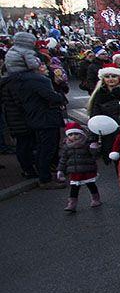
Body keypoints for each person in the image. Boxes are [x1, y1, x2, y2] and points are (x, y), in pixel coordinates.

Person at [1, 48, 66, 188]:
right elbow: (52, 97)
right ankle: (45, 178)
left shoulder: (19, 80)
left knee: (41, 147)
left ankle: (42, 172)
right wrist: (58, 97)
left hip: (34, 117)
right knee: (46, 148)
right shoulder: (35, 80)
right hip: (44, 117)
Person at [58, 121, 102, 211]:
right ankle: (72, 204)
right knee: (74, 188)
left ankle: (95, 199)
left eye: (76, 134)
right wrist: (60, 170)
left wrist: (94, 149)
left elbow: (95, 156)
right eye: (71, 135)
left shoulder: (86, 144)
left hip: (87, 169)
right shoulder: (67, 147)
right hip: (74, 171)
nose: (73, 136)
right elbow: (63, 159)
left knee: (91, 184)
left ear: (81, 134)